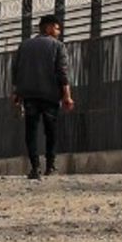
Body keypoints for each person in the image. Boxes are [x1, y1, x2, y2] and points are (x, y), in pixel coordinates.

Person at [11, 14, 75, 180]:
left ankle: (34, 168)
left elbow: (16, 70)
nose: (59, 31)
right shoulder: (58, 46)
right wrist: (67, 96)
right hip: (50, 95)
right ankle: (50, 166)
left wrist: (16, 93)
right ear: (48, 27)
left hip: (29, 95)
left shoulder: (24, 45)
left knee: (31, 130)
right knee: (51, 130)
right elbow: (62, 72)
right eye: (57, 27)